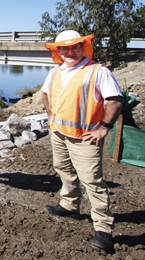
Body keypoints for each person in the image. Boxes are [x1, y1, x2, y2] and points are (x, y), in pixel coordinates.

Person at [41, 30, 124, 253]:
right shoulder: (57, 71)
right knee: (63, 169)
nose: (70, 52)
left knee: (92, 181)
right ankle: (69, 205)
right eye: (65, 48)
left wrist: (104, 127)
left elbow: (115, 100)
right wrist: (50, 116)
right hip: (59, 132)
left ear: (82, 47)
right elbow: (46, 94)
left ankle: (104, 229)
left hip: (85, 137)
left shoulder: (97, 71)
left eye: (75, 47)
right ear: (58, 51)